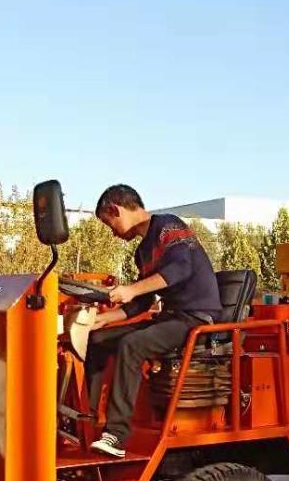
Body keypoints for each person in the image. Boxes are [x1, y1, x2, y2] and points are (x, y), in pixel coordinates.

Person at [85, 185, 221, 457]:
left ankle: (117, 435)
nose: (112, 233)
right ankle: (87, 421)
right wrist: (103, 320)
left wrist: (131, 289)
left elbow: (180, 270)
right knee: (98, 340)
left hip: (196, 318)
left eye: (109, 223)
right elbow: (142, 303)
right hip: (171, 317)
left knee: (133, 344)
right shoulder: (142, 252)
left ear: (116, 209)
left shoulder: (168, 227)